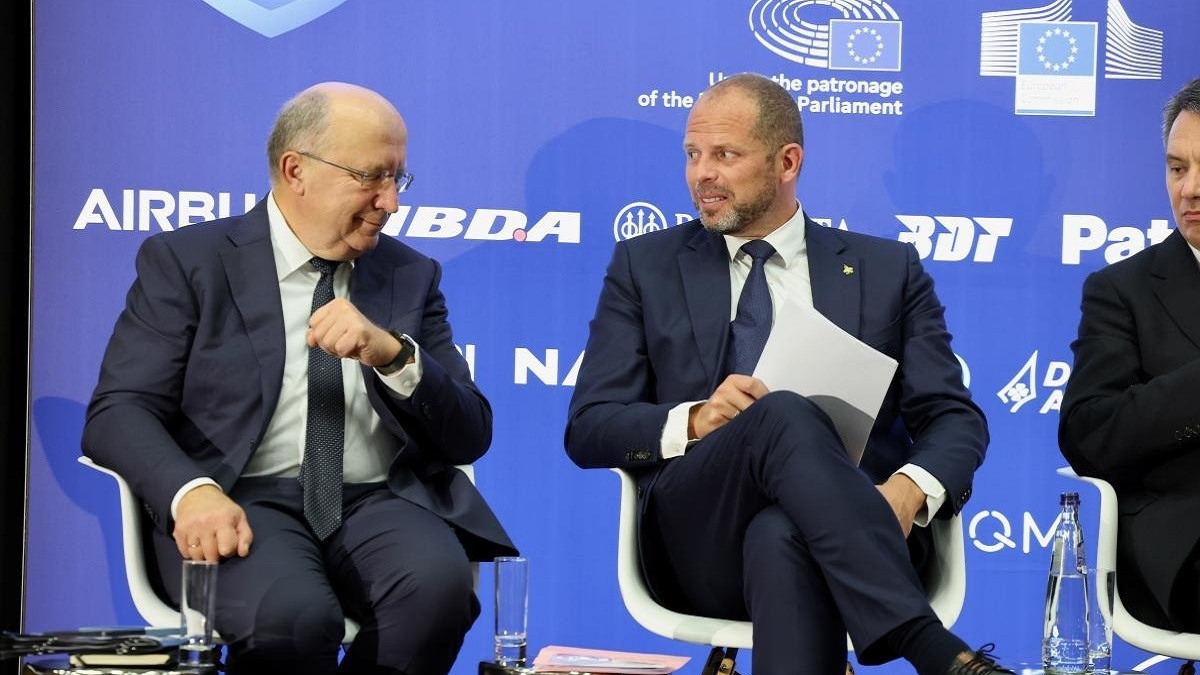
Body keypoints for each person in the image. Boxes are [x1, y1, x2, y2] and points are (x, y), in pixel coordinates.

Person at [564, 73, 1011, 675]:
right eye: (692, 155)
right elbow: (590, 427)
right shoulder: (646, 266)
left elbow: (954, 419)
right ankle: (926, 644)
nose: (702, 175)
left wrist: (907, 491)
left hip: (853, 531)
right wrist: (695, 419)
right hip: (700, 540)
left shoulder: (886, 270)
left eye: (725, 155)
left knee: (781, 535)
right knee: (782, 411)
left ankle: (926, 642)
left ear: (787, 162)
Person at [83, 81, 516, 675]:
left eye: (399, 179)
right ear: (296, 171)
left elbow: (470, 435)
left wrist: (394, 356)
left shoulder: (409, 275)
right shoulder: (190, 263)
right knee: (293, 617)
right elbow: (119, 411)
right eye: (371, 177)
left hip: (377, 501)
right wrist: (192, 492)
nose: (390, 202)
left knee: (439, 596)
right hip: (239, 497)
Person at [1059, 77, 1200, 632]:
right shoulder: (1124, 290)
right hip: (1187, 542)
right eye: (1177, 167)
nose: (1190, 189)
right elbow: (1089, 434)